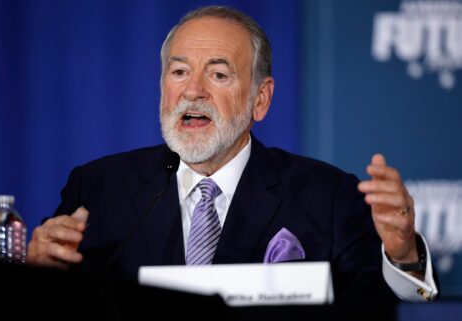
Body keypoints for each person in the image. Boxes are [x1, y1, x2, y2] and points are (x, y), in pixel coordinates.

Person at [27, 5, 438, 302]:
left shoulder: (327, 197)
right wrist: (36, 270)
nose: (193, 91)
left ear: (261, 99)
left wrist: (402, 256)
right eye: (180, 71)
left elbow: (373, 307)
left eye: (219, 74)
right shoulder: (98, 190)